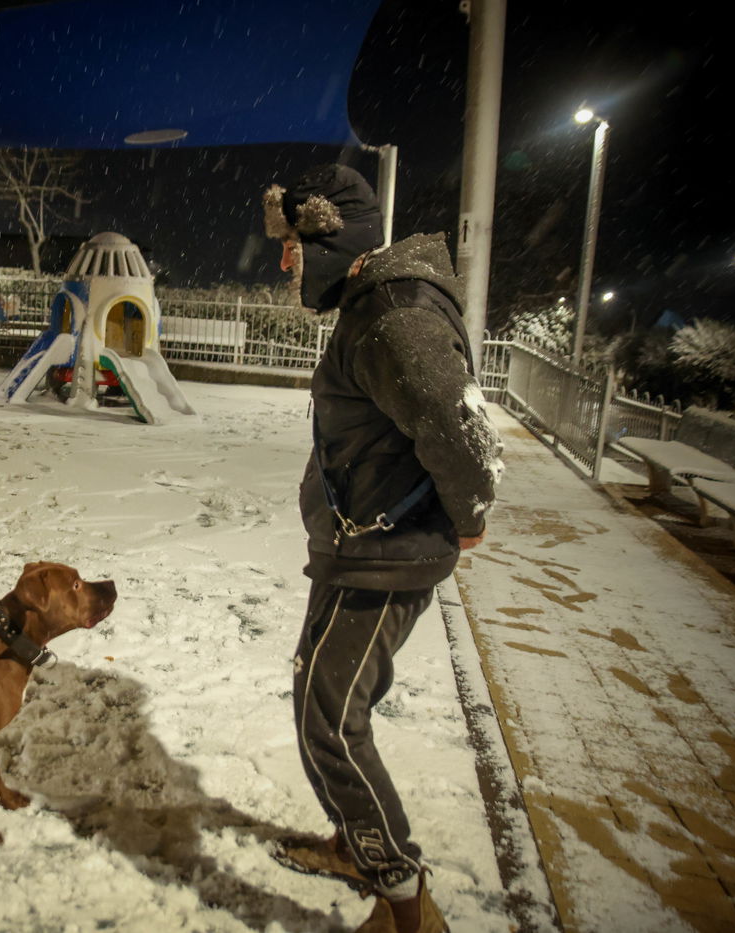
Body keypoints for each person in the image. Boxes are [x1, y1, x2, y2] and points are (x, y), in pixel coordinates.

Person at [260, 164, 503, 933]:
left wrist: (467, 515)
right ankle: (356, 843)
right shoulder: (374, 306)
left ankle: (405, 903)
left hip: (387, 552)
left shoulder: (394, 313)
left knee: (329, 719)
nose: (286, 264)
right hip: (361, 544)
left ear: (335, 240)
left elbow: (454, 424)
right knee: (320, 699)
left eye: (294, 247)